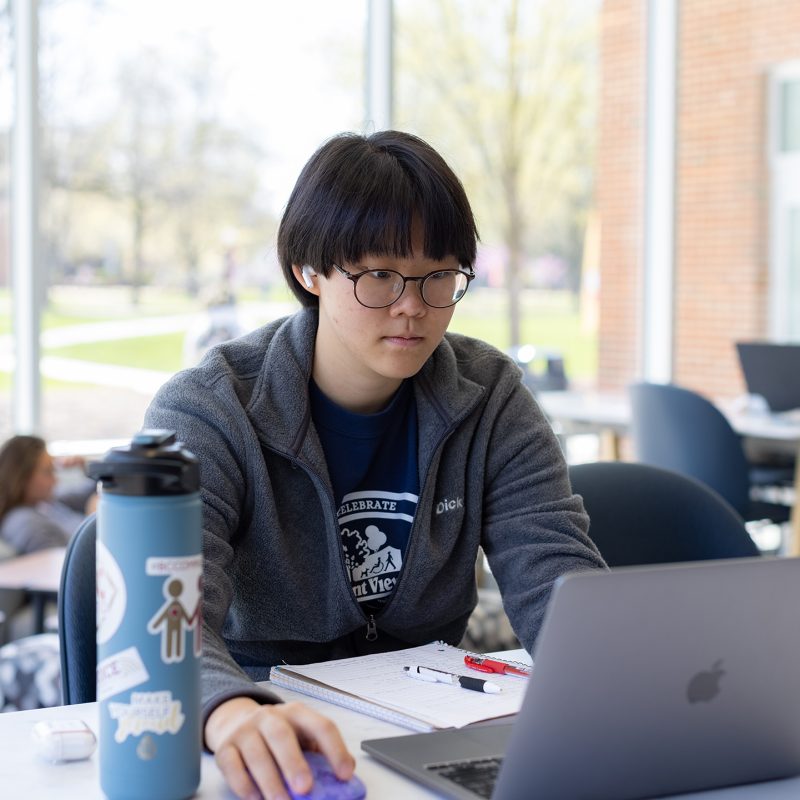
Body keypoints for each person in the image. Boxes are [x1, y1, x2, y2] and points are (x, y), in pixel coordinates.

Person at [145, 130, 606, 799]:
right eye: (380, 275)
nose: (412, 305)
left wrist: (621, 683)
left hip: (431, 732)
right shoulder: (211, 410)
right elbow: (168, 617)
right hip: (267, 731)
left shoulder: (491, 399)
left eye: (438, 275)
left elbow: (560, 582)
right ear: (309, 270)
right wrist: (226, 708)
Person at [0, 435, 97, 555]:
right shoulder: (26, 524)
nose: (55, 480)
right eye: (48, 471)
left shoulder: (45, 503)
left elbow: (91, 492)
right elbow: (66, 569)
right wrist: (94, 522)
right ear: (22, 478)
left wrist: (86, 468)